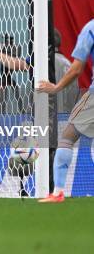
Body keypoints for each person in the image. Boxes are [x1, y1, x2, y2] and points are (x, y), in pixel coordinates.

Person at [38, 18, 94, 203]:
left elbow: (77, 69)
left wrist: (56, 88)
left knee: (67, 137)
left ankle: (58, 192)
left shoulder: (90, 28)